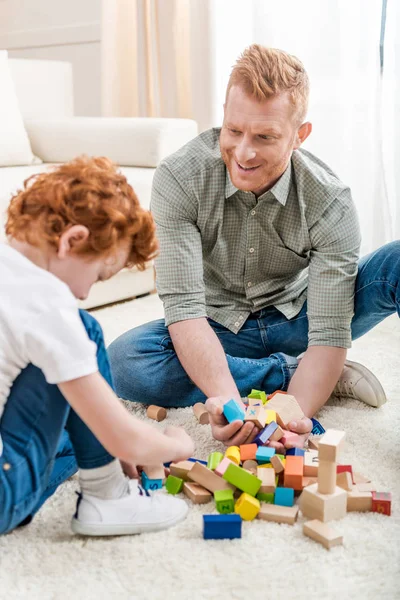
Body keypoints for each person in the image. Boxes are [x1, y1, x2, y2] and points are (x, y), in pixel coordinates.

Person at [108, 45, 399, 451]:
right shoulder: (180, 178)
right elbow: (186, 313)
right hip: (217, 327)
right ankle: (293, 374)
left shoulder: (329, 200)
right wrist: (228, 406)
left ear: (300, 136)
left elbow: (330, 330)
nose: (243, 153)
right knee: (123, 363)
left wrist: (295, 414)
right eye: (233, 130)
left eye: (264, 137)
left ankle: (314, 373)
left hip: (301, 316)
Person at [0, 156, 194, 537]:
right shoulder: (48, 305)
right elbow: (125, 440)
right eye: (98, 275)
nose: (86, 292)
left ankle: (95, 466)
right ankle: (108, 498)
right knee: (84, 330)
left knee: (76, 437)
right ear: (72, 240)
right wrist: (174, 442)